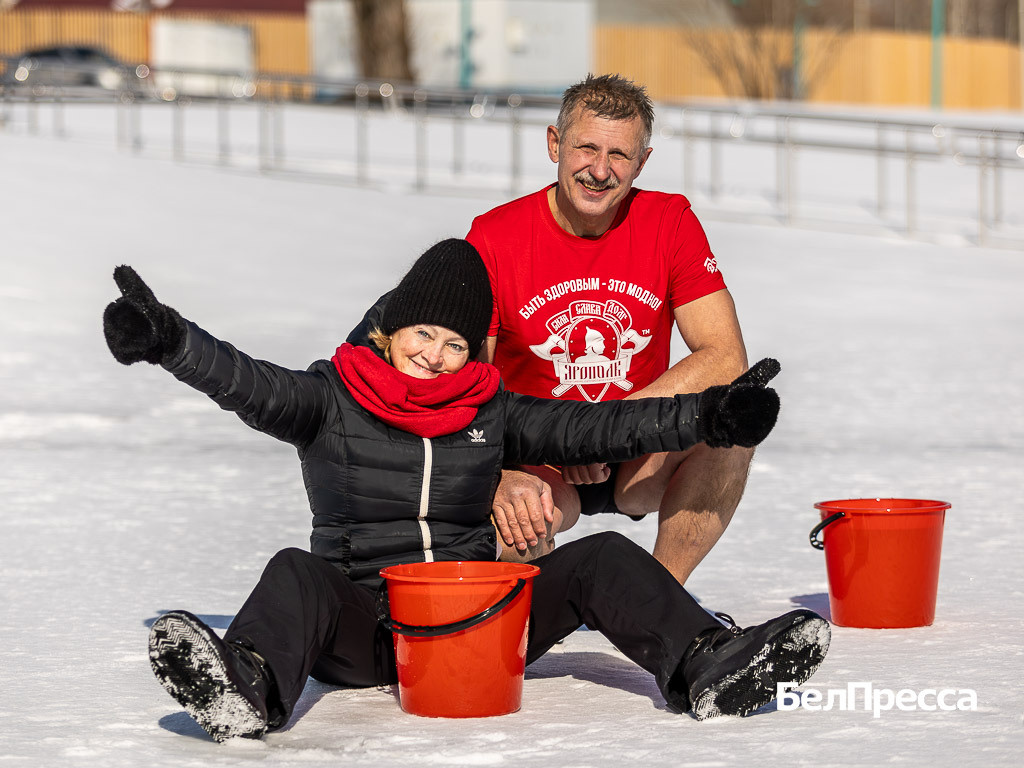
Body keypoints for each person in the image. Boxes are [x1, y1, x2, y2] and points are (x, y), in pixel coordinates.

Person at [102, 240, 829, 743]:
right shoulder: (327, 399)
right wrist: (168, 340)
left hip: (478, 622)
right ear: (389, 331)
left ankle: (707, 662)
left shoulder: (491, 409)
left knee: (602, 555)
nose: (436, 356)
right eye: (424, 334)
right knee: (296, 570)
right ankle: (248, 686)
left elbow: (600, 427)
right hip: (365, 628)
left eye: (455, 344)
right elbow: (244, 380)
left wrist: (708, 416)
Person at [464, 73, 752, 584]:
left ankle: (659, 600)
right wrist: (501, 472)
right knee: (512, 524)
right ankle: (527, 612)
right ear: (555, 145)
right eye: (586, 148)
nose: (600, 170)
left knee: (732, 429)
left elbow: (725, 356)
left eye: (619, 155)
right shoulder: (494, 236)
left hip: (639, 445)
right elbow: (467, 380)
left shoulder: (669, 221)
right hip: (537, 454)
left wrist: (607, 430)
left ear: (642, 162)